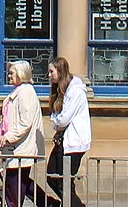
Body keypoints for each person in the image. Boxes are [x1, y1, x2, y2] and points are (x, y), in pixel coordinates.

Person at [0, 59, 42, 207]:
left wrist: (6, 137)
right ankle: (49, 203)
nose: (9, 76)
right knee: (18, 183)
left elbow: (25, 122)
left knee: (14, 186)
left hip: (21, 148)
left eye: (12, 73)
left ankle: (48, 203)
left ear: (21, 74)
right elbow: (8, 119)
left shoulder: (26, 93)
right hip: (15, 148)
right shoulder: (19, 92)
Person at [43, 56, 91, 207]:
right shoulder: (61, 90)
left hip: (73, 142)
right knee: (52, 176)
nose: (49, 75)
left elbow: (63, 119)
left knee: (64, 182)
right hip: (63, 140)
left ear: (60, 71)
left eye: (52, 72)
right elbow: (58, 117)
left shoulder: (75, 90)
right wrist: (57, 121)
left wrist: (56, 122)